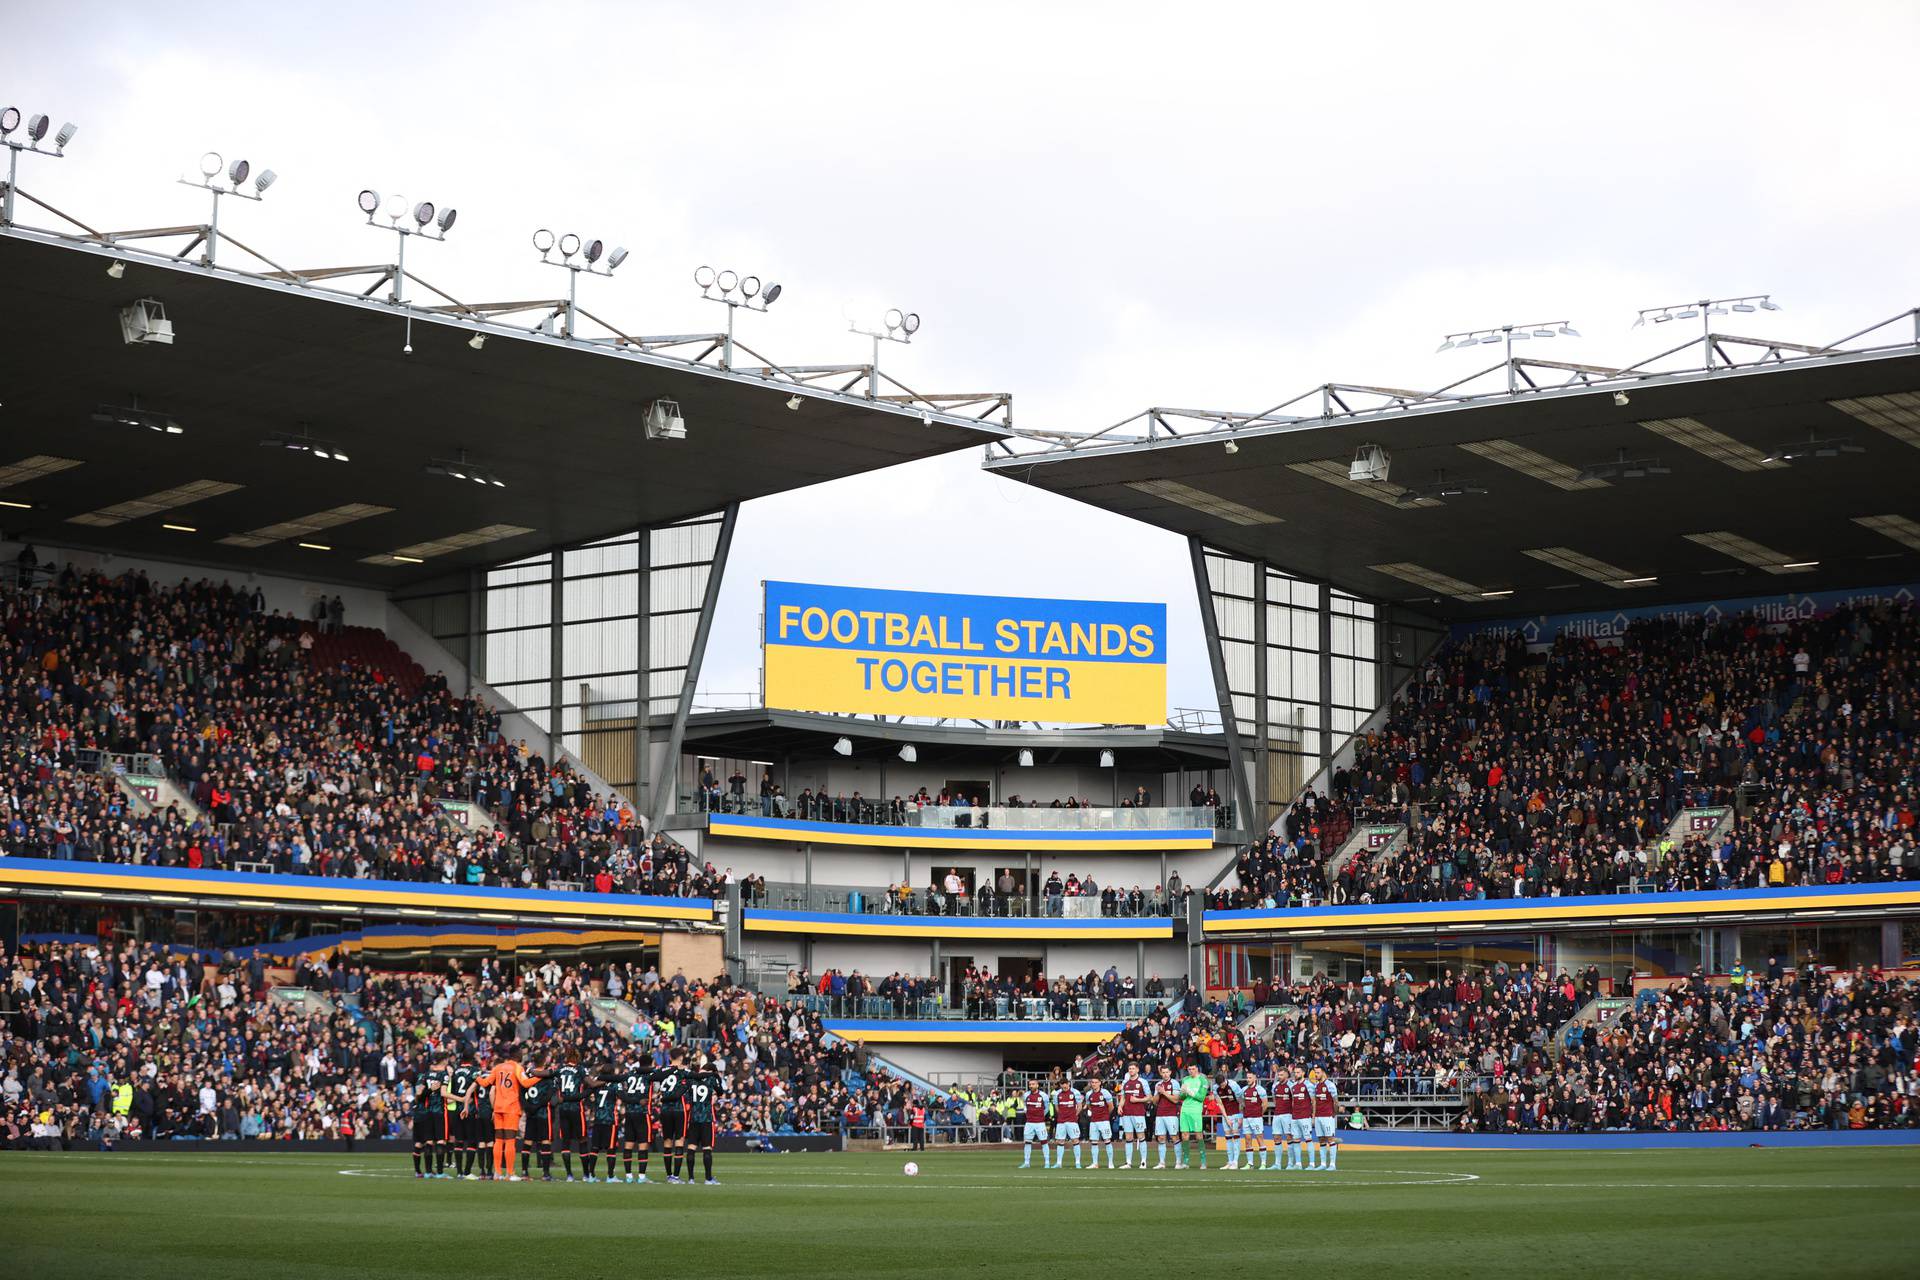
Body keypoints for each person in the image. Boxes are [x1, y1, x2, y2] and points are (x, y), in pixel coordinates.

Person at [477, 1046, 547, 1182]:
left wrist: (476, 1078)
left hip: (498, 1107)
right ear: (516, 1055)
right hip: (511, 1108)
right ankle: (510, 1173)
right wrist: (540, 1077)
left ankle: (497, 1172)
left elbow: (485, 1083)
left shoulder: (498, 1067)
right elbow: (525, 1083)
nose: (522, 1054)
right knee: (509, 1140)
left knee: (498, 1140)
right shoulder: (517, 1068)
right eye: (521, 1053)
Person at [652, 1050, 693, 1183]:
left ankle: (669, 1175)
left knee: (667, 1141)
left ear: (669, 1057)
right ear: (681, 1057)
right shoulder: (683, 1072)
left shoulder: (662, 1070)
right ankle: (675, 1176)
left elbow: (654, 1078)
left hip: (665, 1110)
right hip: (679, 1109)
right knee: (679, 1141)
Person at [614, 1052, 654, 1183]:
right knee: (643, 1145)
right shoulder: (649, 1074)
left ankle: (628, 1176)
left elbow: (620, 1084)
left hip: (629, 1113)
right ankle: (641, 1177)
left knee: (628, 1144)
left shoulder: (631, 1073)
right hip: (642, 1113)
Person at [686, 1054, 724, 1185]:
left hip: (693, 1118)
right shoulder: (710, 1079)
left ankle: (691, 1178)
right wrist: (716, 1077)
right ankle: (708, 1178)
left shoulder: (692, 1079)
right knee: (707, 1148)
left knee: (691, 1148)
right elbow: (720, 1091)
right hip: (706, 1118)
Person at [553, 1052, 590, 1182]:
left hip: (563, 1109)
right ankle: (586, 1175)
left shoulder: (560, 1069)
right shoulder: (579, 1069)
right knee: (582, 1140)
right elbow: (589, 1082)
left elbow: (552, 1080)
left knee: (566, 1141)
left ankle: (569, 1175)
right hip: (576, 1109)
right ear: (577, 1058)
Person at [521, 1072, 556, 1181]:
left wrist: (528, 1107)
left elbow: (521, 1095)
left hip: (531, 1114)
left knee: (528, 1142)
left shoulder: (527, 1078)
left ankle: (524, 1172)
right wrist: (537, 1106)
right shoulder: (548, 1079)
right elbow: (548, 1097)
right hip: (543, 1114)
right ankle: (545, 1174)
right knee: (545, 1141)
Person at [1117, 1062, 1151, 1169]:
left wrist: (1138, 1100)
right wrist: (1120, 1106)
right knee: (1128, 1137)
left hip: (1138, 1113)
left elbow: (1150, 1097)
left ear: (1137, 1070)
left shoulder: (1142, 1082)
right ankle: (1128, 1162)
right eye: (1129, 1068)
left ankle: (1143, 1162)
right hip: (1126, 1113)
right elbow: (1123, 1097)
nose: (1131, 1070)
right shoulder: (1125, 1083)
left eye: (1133, 1068)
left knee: (1141, 1136)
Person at [1178, 1063, 1210, 1170]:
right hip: (1185, 1109)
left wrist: (1189, 1092)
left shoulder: (1203, 1080)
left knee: (1198, 1135)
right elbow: (1182, 1096)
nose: (1191, 1071)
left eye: (1193, 1069)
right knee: (1185, 1135)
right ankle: (1186, 1162)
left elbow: (1201, 1097)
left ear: (1197, 1069)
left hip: (1196, 1110)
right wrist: (1182, 1092)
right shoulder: (1185, 1079)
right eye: (1189, 1069)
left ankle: (1203, 1161)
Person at [1309, 1067, 1340, 1171]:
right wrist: (1314, 1116)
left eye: (1318, 1073)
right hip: (1318, 1116)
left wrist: (1334, 1114)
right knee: (1321, 1140)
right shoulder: (1316, 1086)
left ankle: (1332, 1164)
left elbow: (1336, 1102)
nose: (1316, 1075)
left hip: (1327, 1116)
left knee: (1330, 1139)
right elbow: (1315, 1102)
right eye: (1315, 1073)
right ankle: (1323, 1164)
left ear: (1323, 1073)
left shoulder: (1330, 1085)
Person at [1083, 1078, 1116, 1170]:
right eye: (1092, 1082)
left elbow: (1111, 1107)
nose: (1094, 1084)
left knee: (1107, 1141)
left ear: (1100, 1083)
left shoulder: (1105, 1093)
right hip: (1094, 1121)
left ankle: (1110, 1163)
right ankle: (1095, 1163)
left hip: (1104, 1121)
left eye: (1096, 1082)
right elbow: (1089, 1106)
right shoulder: (1088, 1094)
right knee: (1094, 1142)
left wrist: (1105, 1115)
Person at [1050, 1078, 1083, 1170]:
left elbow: (1079, 1106)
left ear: (1069, 1084)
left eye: (1066, 1084)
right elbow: (1057, 1107)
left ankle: (1077, 1163)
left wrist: (1074, 1115)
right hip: (1061, 1121)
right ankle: (1059, 1163)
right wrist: (1062, 1115)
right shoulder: (1057, 1094)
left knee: (1075, 1140)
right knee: (1060, 1141)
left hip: (1072, 1121)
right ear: (1060, 1085)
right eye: (1062, 1084)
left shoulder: (1075, 1092)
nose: (1064, 1086)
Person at [1017, 1080, 1051, 1169]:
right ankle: (1026, 1162)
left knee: (1044, 1142)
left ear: (1037, 1085)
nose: (1031, 1086)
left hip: (1040, 1123)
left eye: (1033, 1084)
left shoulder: (1044, 1096)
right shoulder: (1026, 1095)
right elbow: (1025, 1105)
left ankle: (1047, 1162)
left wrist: (1040, 1116)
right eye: (1030, 1084)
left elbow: (1047, 1108)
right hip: (1029, 1123)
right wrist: (1027, 1112)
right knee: (1027, 1142)